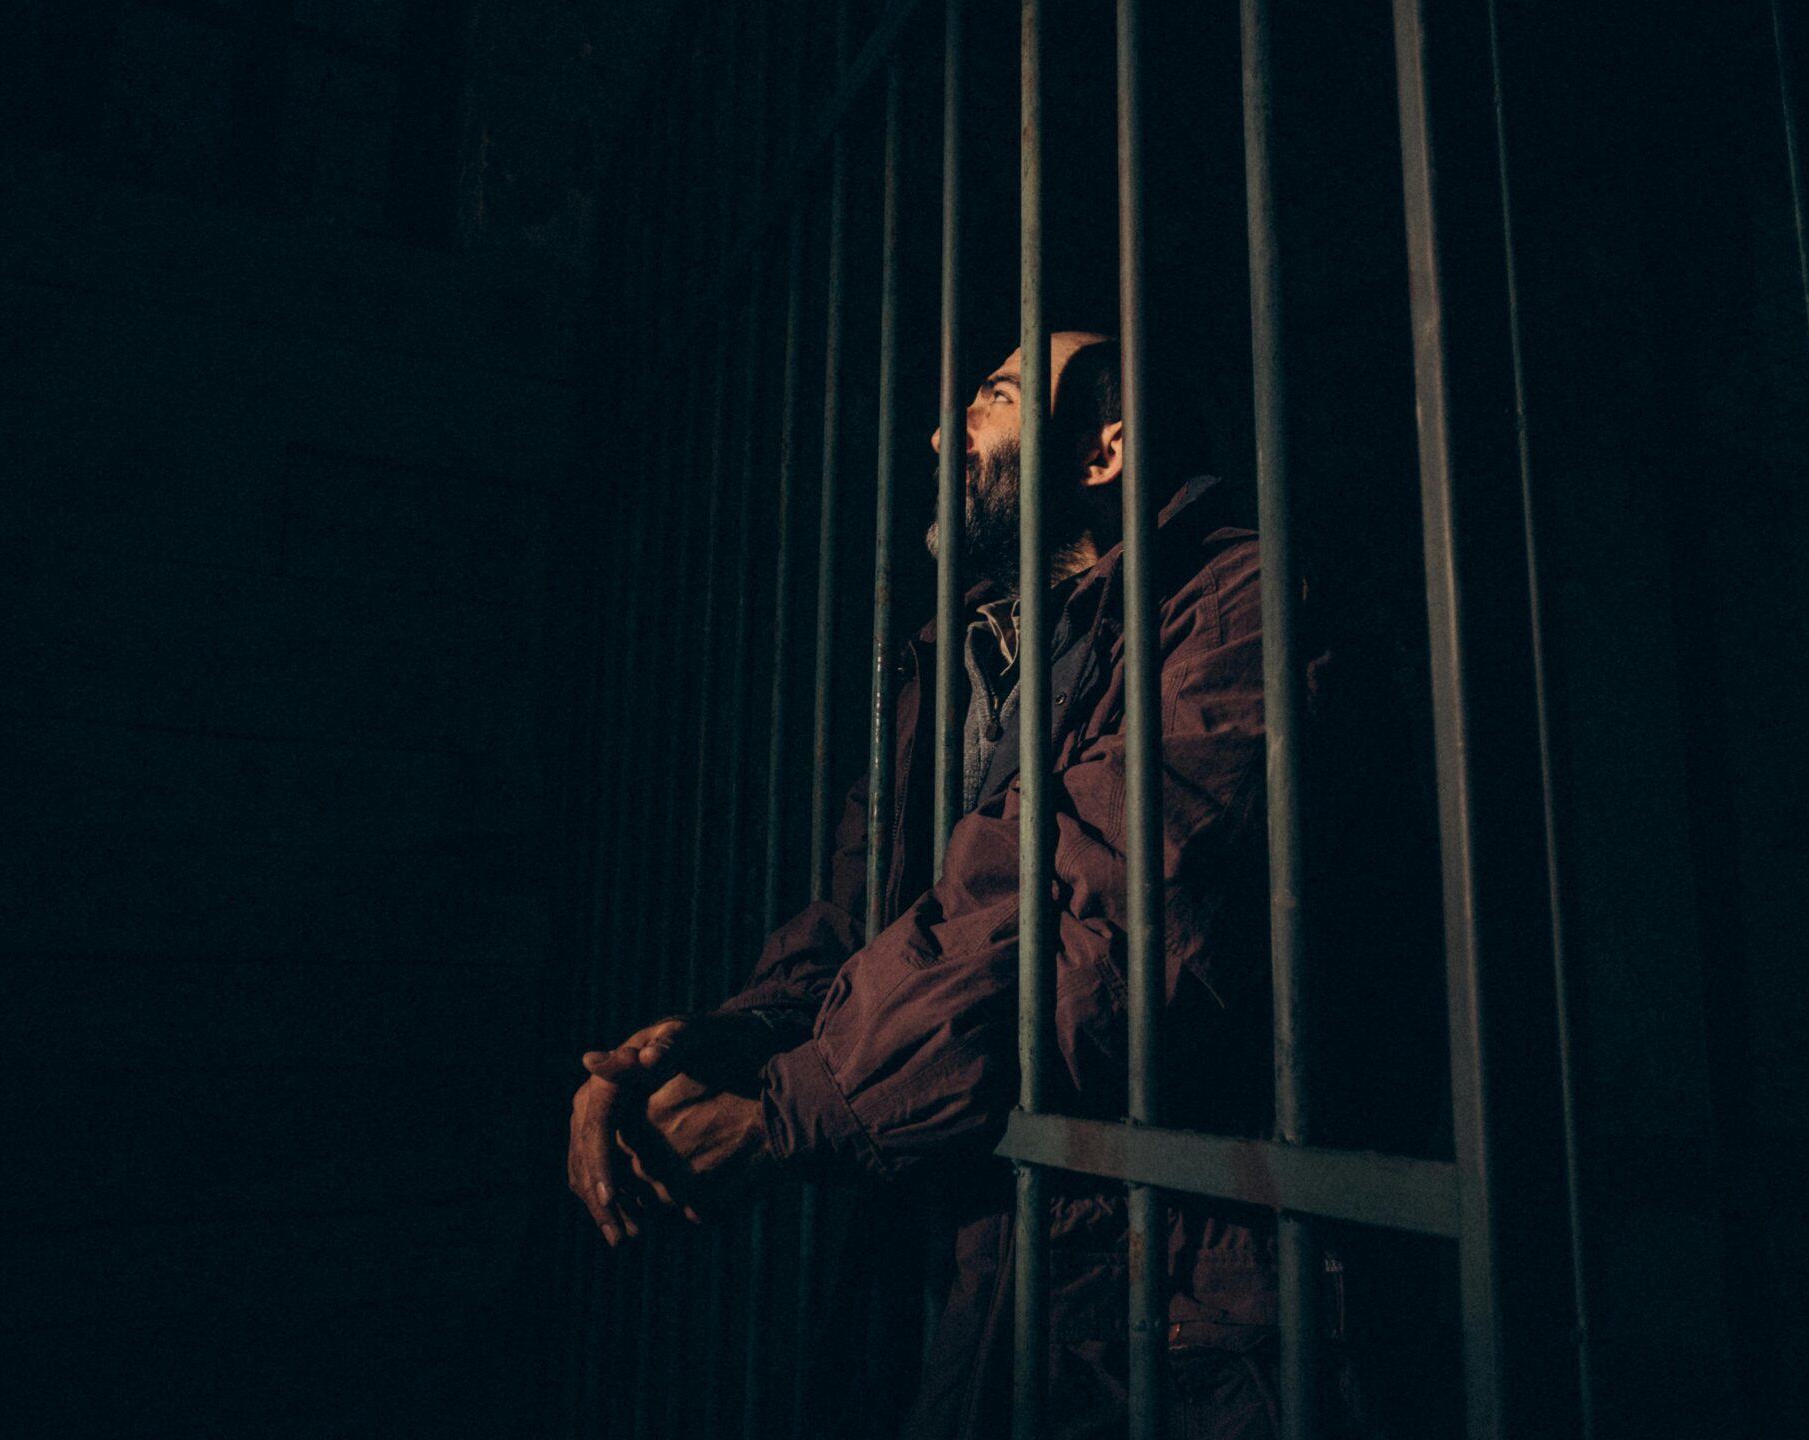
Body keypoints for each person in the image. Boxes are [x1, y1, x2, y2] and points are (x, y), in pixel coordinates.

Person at [567, 331, 1339, 1437]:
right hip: (953, 1249)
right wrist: (722, 1045)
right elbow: (866, 926)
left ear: (1103, 450)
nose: (943, 434)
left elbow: (1107, 934)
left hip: (1153, 1295)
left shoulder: (1236, 603)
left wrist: (791, 1111)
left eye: (994, 398)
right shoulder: (959, 658)